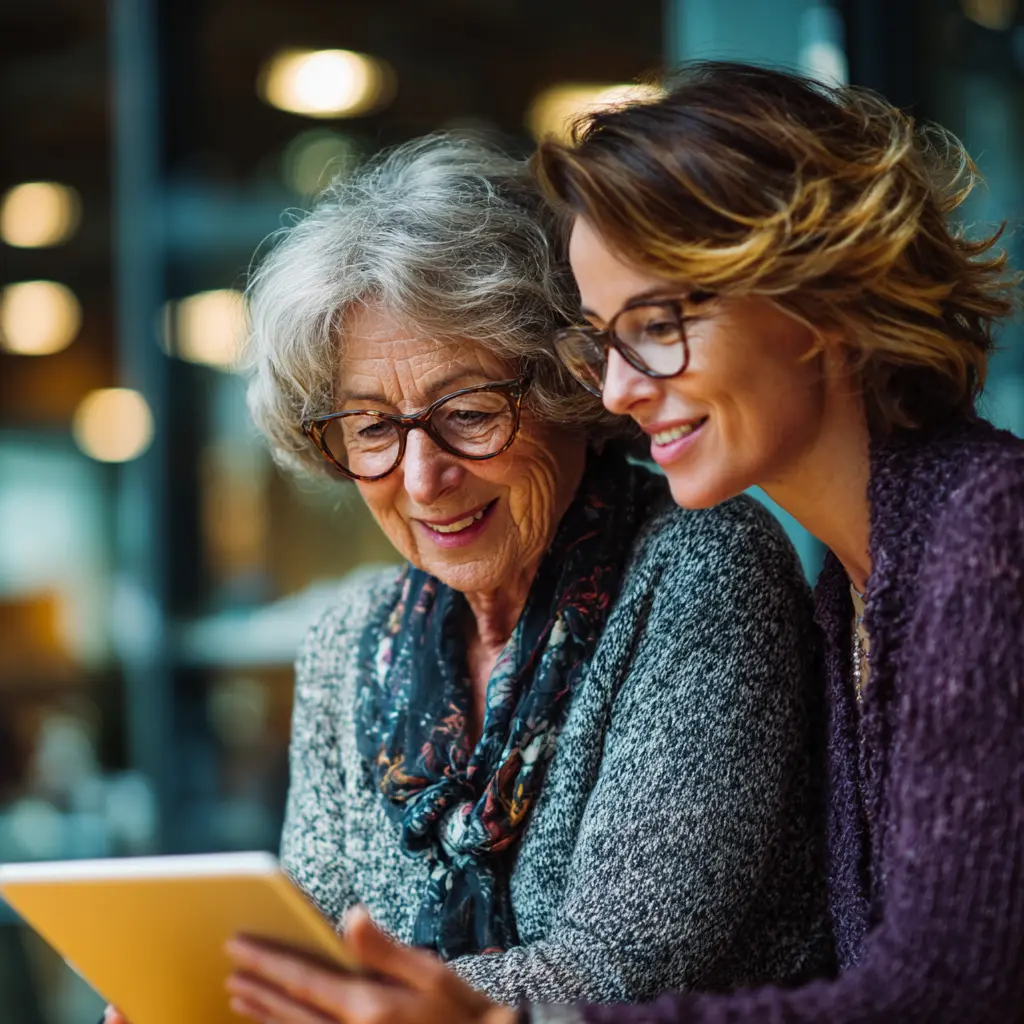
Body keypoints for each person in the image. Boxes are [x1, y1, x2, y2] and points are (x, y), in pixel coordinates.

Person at [210, 64, 1023, 1024]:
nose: (617, 389)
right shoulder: (862, 582)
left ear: (817, 302)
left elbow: (942, 992)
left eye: (658, 327)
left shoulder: (976, 536)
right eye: (605, 340)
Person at [103, 133, 833, 1024]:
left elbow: (617, 965)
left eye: (469, 413)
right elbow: (310, 938)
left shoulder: (701, 562)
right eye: (371, 429)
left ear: (570, 384)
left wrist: (296, 1008)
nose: (422, 478)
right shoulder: (350, 644)